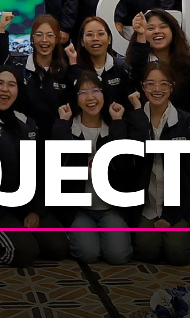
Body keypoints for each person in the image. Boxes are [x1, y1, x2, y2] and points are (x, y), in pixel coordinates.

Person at [0, 66, 67, 267]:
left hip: (23, 204)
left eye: (11, 84)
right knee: (24, 253)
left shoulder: (27, 123)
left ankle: (18, 235)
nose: (5, 89)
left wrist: (36, 210)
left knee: (59, 247)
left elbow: (39, 169)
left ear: (18, 90)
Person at [51, 73, 134, 265]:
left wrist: (118, 123)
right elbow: (57, 165)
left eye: (96, 90)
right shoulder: (68, 127)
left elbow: (123, 166)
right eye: (83, 92)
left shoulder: (114, 126)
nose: (90, 97)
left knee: (118, 256)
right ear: (75, 98)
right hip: (78, 209)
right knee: (88, 254)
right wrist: (62, 124)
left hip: (109, 208)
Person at [125, 67, 190, 265]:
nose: (157, 89)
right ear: (142, 87)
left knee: (178, 254)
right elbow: (134, 158)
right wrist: (138, 116)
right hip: (147, 205)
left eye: (163, 84)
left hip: (178, 205)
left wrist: (171, 216)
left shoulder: (187, 122)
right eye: (150, 83)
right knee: (146, 252)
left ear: (172, 87)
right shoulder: (133, 120)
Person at [126, 10, 190, 117]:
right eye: (150, 28)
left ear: (173, 30)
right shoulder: (137, 63)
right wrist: (140, 34)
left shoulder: (189, 63)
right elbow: (136, 73)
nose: (157, 31)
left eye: (163, 26)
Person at [18, 15, 80, 138]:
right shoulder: (21, 69)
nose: (44, 40)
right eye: (39, 35)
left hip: (58, 138)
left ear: (57, 39)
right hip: (27, 140)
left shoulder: (65, 71)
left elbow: (77, 101)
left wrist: (74, 64)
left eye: (50, 35)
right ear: (32, 38)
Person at [76, 16, 136, 107]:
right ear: (82, 42)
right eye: (89, 35)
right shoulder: (76, 71)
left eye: (100, 34)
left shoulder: (123, 68)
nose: (95, 38)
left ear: (109, 39)